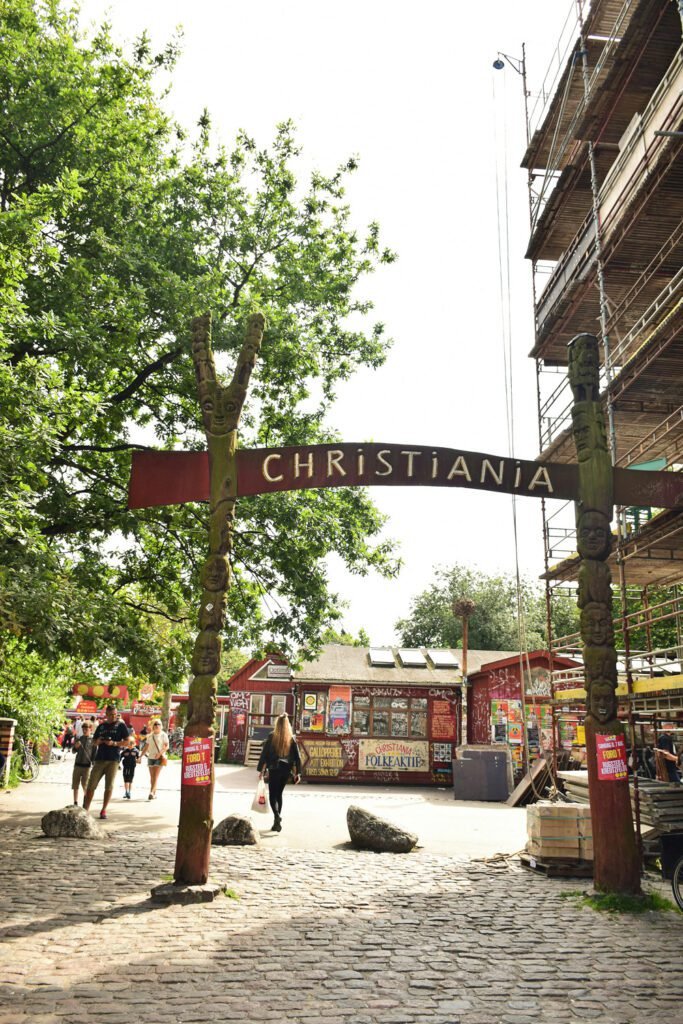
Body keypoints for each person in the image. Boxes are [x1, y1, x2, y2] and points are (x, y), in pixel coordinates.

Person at [257, 713, 301, 832]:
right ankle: (276, 823)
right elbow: (298, 758)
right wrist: (298, 774)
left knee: (273, 795)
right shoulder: (291, 738)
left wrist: (261, 770)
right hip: (286, 770)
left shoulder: (272, 736)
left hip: (274, 769)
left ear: (277, 724)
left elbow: (264, 755)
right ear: (288, 725)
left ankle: (277, 817)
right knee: (279, 795)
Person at [83, 706, 130, 819]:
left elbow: (127, 742)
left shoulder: (121, 726)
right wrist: (98, 741)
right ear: (106, 714)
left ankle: (103, 810)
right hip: (100, 758)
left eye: (115, 714)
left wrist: (114, 743)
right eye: (111, 714)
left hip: (113, 759)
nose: (113, 716)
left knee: (109, 786)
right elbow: (94, 741)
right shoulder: (101, 726)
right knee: (91, 785)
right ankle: (85, 810)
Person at [139, 719, 169, 800]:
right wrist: (140, 756)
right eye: (155, 724)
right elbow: (146, 747)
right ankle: (154, 793)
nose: (157, 726)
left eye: (158, 724)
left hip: (159, 757)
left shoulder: (163, 735)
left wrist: (159, 754)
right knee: (152, 777)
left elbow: (166, 746)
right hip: (150, 757)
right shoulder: (150, 736)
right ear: (152, 726)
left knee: (155, 776)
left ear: (161, 725)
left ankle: (151, 792)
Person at [71, 721, 94, 805]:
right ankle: (75, 802)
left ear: (90, 729)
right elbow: (73, 751)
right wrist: (75, 747)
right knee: (75, 784)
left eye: (86, 729)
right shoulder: (79, 739)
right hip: (77, 764)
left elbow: (94, 754)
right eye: (83, 729)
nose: (84, 731)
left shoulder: (93, 741)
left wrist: (94, 763)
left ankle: (85, 800)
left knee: (85, 784)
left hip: (87, 766)